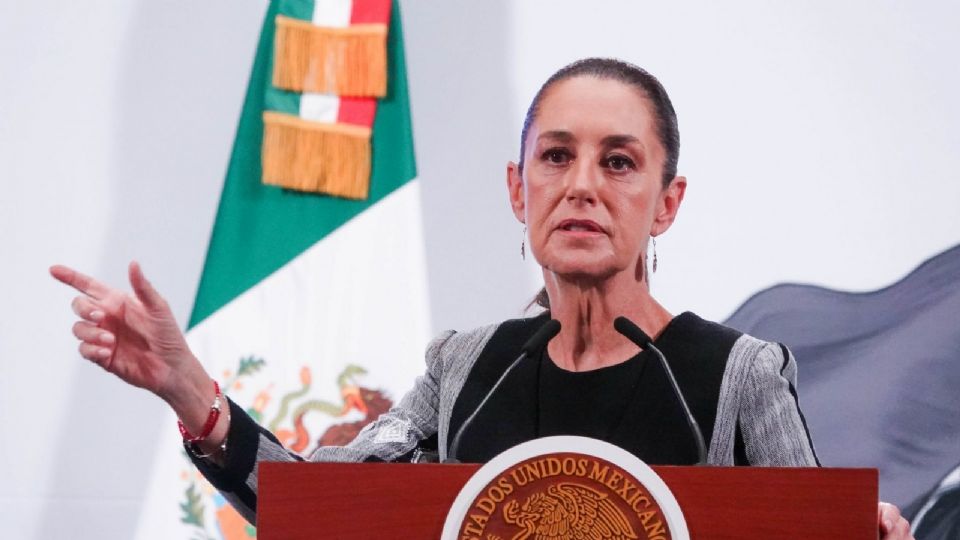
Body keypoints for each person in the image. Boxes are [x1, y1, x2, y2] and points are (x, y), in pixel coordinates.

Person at [51, 57, 913, 538]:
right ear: (516, 188)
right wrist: (191, 394)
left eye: (618, 162)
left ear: (667, 202)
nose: (581, 185)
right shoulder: (467, 367)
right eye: (556, 157)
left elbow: (812, 533)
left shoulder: (736, 375)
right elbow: (318, 508)